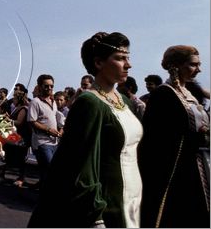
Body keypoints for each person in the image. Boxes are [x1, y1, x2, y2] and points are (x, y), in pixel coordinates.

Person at [28, 32, 143, 228]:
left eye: (128, 58)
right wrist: (95, 215)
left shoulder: (124, 101)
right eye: (120, 58)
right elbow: (83, 166)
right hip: (108, 203)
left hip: (132, 196)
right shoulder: (90, 102)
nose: (128, 64)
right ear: (99, 63)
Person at [139, 45, 209, 227]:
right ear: (176, 66)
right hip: (178, 169)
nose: (199, 69)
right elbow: (156, 139)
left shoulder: (191, 93)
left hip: (200, 162)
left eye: (199, 64)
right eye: (193, 65)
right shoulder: (163, 95)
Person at [28, 74, 63, 187]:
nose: (49, 88)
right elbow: (32, 121)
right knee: (51, 168)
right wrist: (48, 130)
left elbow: (58, 117)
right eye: (46, 86)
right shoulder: (35, 102)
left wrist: (60, 129)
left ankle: (43, 198)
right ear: (39, 86)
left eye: (51, 86)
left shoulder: (53, 102)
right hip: (42, 143)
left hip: (54, 142)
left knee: (46, 171)